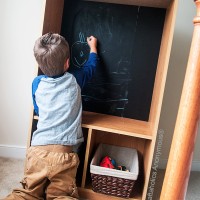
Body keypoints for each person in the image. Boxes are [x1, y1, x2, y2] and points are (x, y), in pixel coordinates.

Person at [4, 33, 99, 200]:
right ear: (68, 62)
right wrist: (93, 48)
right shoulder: (75, 79)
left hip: (37, 152)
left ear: (40, 65)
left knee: (27, 193)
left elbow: (38, 110)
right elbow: (91, 67)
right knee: (61, 195)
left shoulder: (37, 83)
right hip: (64, 155)